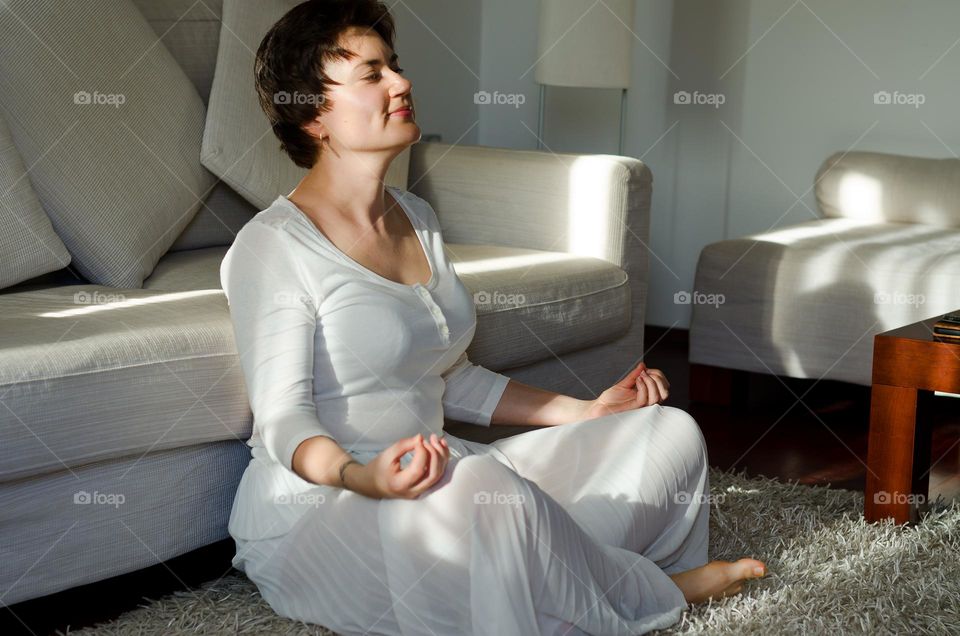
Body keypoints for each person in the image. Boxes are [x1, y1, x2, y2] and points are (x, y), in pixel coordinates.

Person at [220, 1, 766, 634]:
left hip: (446, 479)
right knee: (490, 495)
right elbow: (284, 418)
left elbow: (452, 377)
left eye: (394, 66)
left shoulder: (416, 218)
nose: (402, 83)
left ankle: (556, 571)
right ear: (315, 113)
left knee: (666, 434)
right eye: (372, 74)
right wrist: (362, 477)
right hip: (324, 509)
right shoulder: (275, 246)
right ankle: (650, 591)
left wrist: (584, 414)